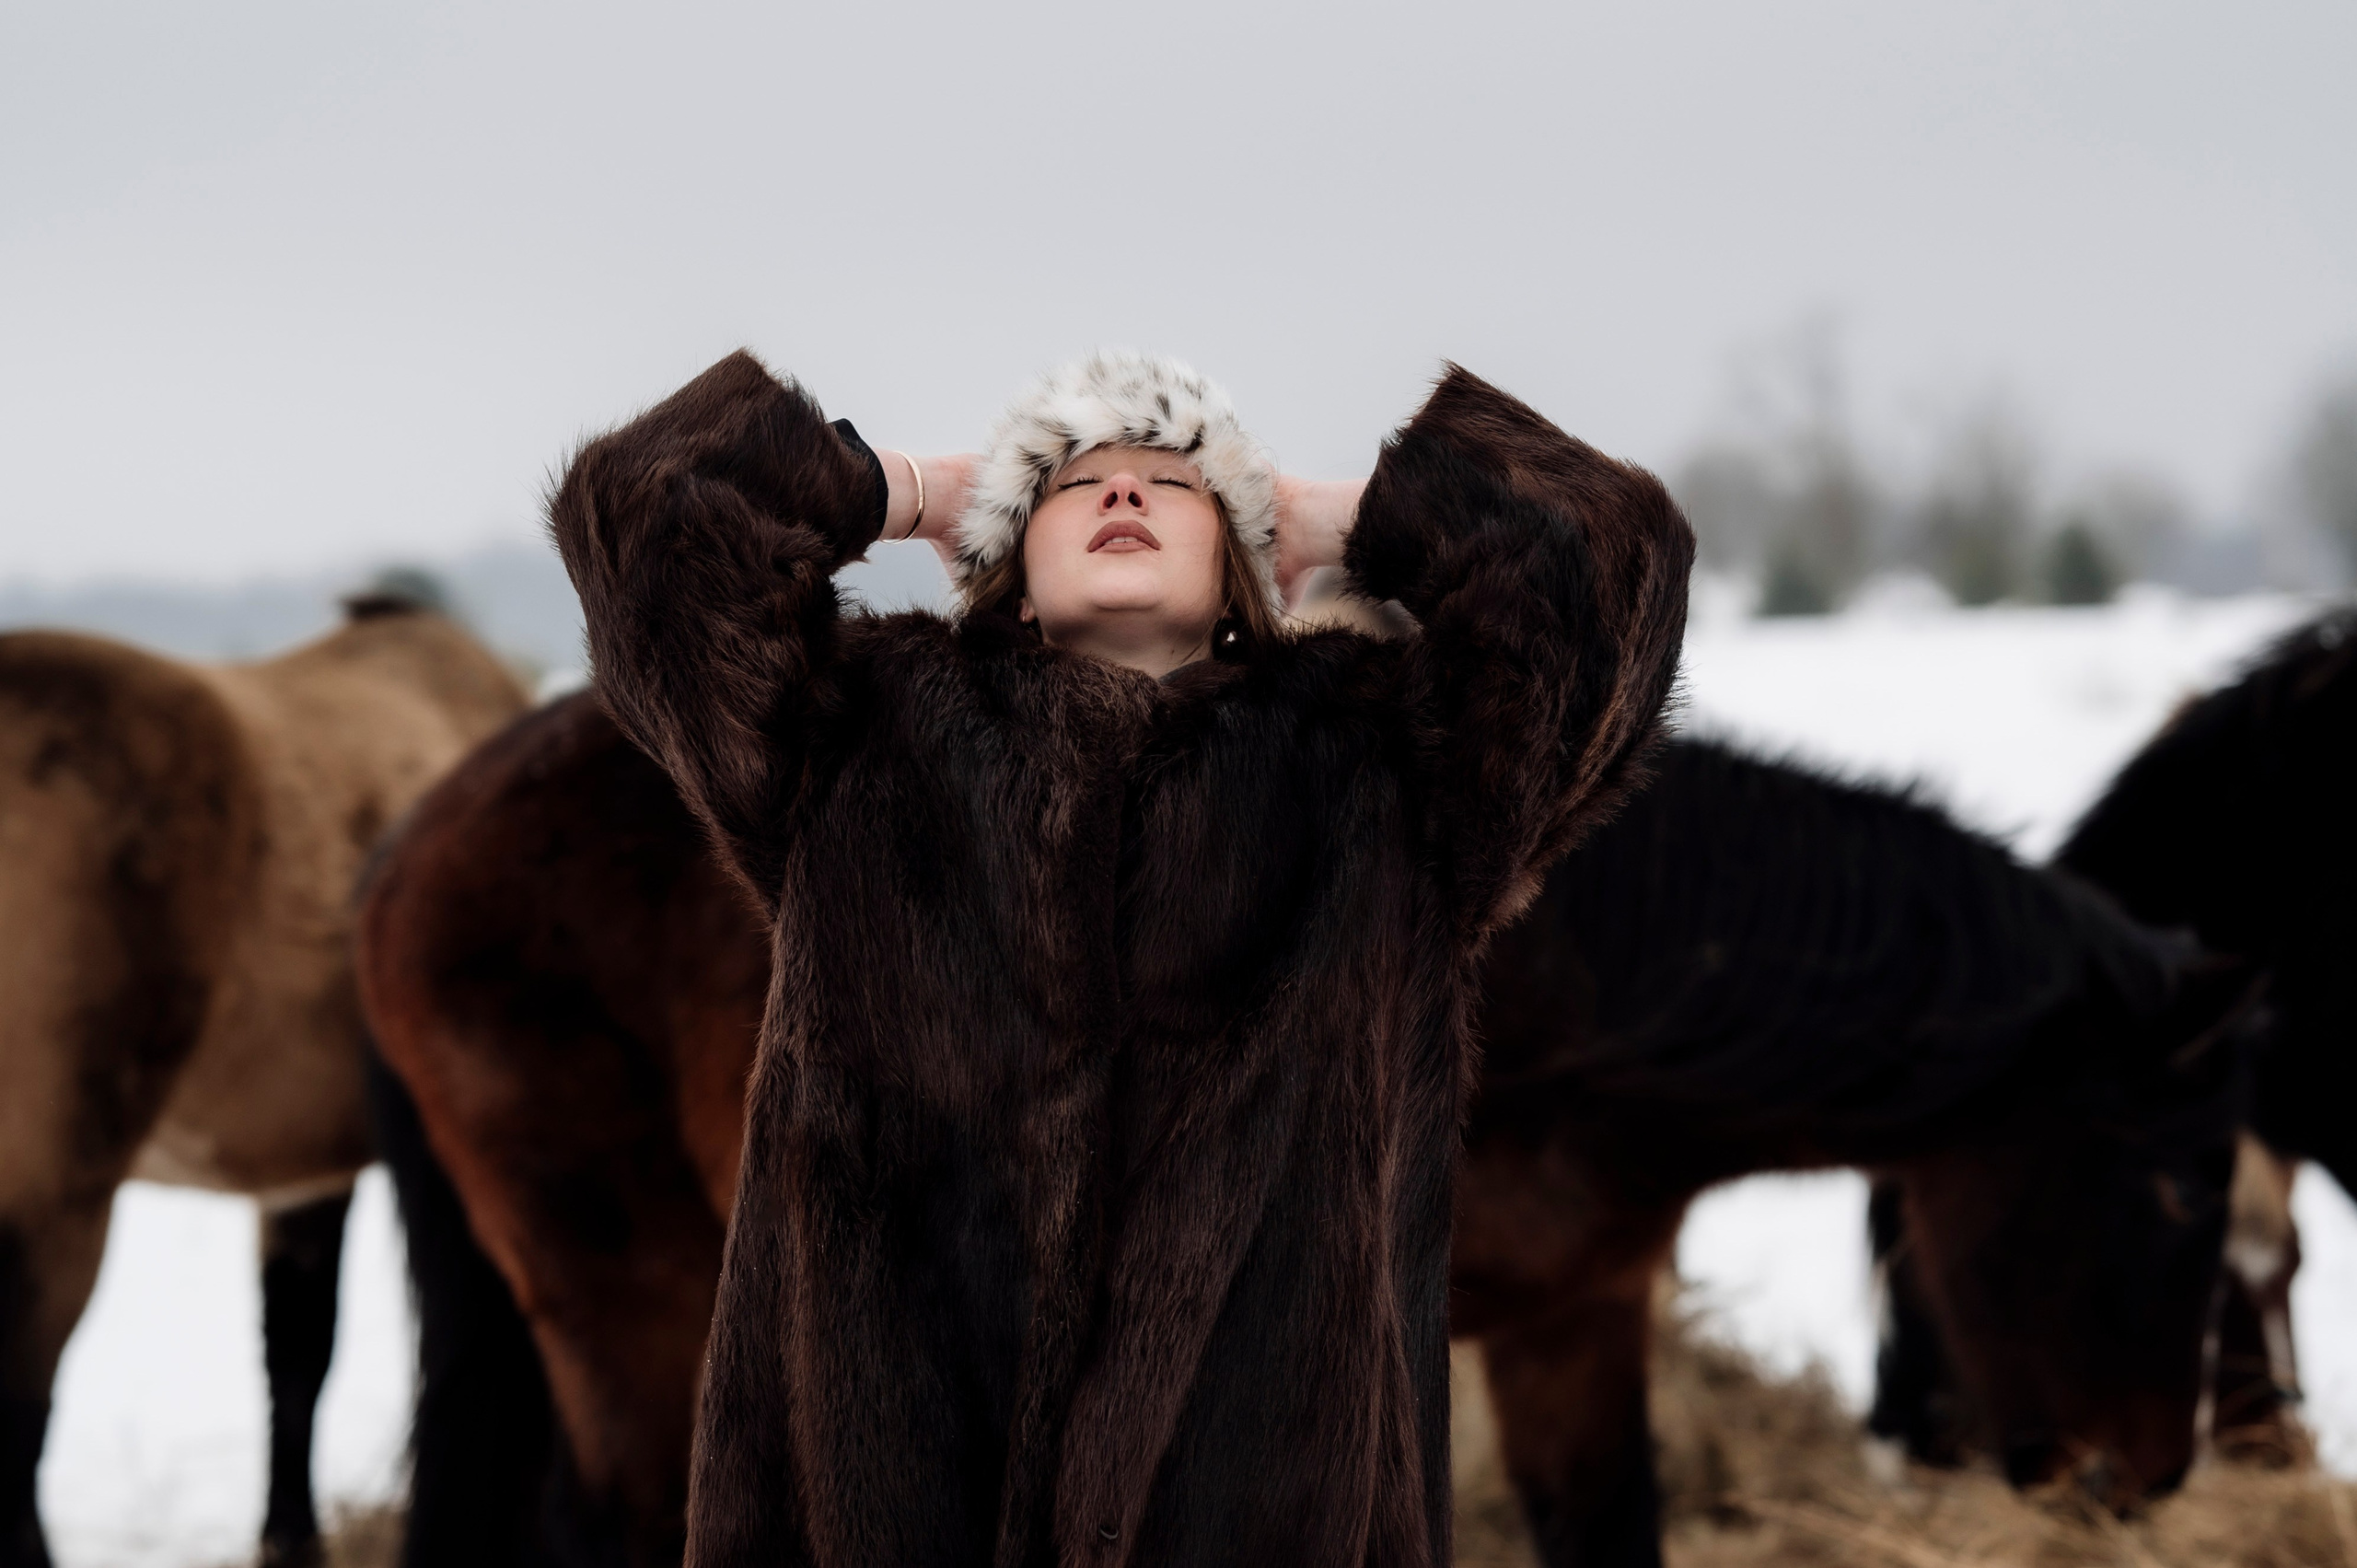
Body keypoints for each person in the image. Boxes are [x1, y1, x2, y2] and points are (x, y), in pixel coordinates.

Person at [552, 348, 1692, 1567]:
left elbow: (1608, 556)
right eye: (1068, 482)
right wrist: (916, 491)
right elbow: (643, 512)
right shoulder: (853, 743)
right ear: (1017, 579)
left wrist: (1329, 516)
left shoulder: (1395, 774)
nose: (1125, 494)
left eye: (1176, 483)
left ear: (1246, 575)